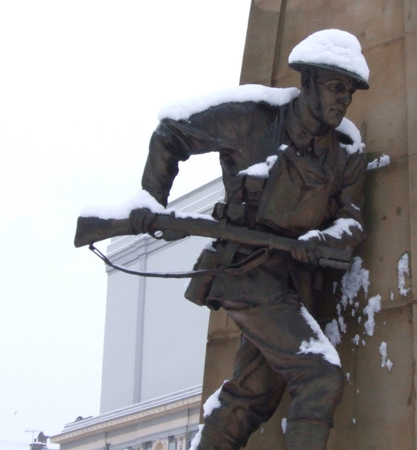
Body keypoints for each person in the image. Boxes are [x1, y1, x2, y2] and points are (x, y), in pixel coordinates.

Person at [135, 29, 369, 450]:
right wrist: (154, 204)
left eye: (349, 92)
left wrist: (326, 239)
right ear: (308, 81)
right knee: (319, 375)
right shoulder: (252, 118)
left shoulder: (346, 152)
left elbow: (352, 218)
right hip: (245, 270)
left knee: (250, 398)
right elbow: (170, 134)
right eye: (336, 87)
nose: (343, 100)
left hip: (295, 283)